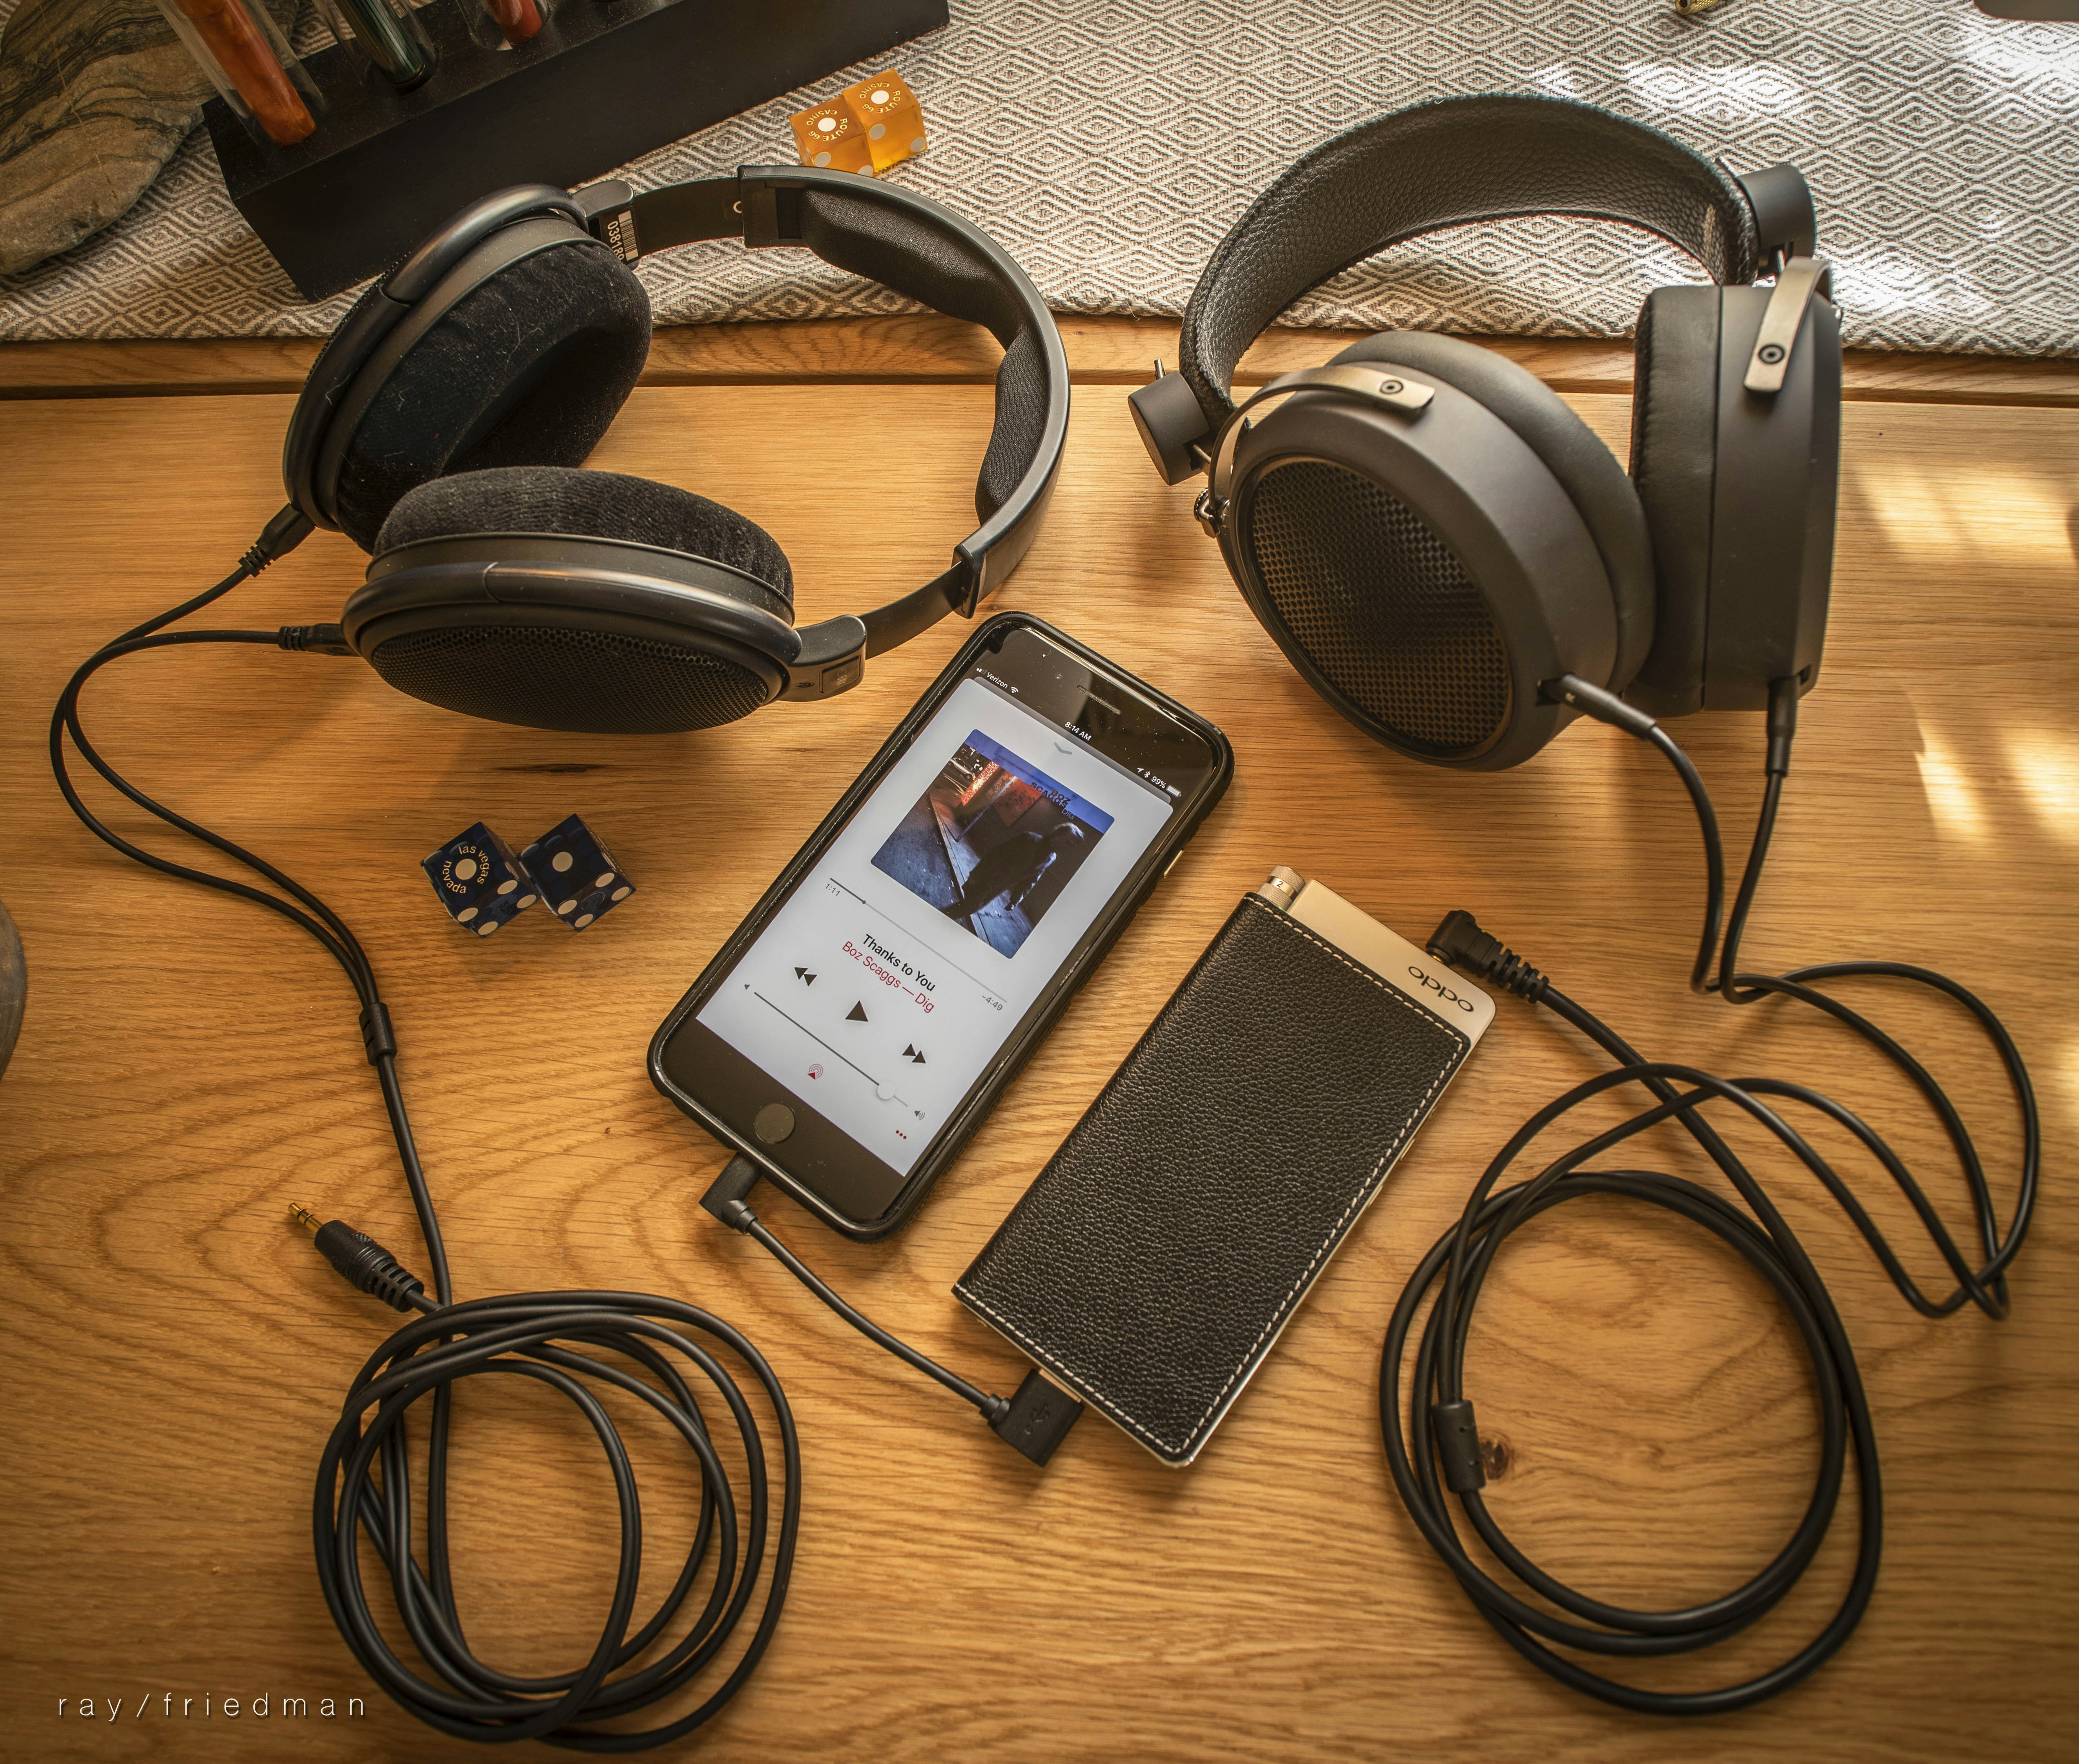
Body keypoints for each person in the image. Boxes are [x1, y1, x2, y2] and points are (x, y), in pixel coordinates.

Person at [950, 820, 1087, 924]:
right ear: (1057, 834)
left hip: (997, 888)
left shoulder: (1051, 858)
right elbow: (996, 854)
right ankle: (942, 918)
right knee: (969, 907)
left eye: (1071, 846)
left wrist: (1016, 900)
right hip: (986, 878)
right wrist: (976, 875)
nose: (1066, 848)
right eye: (1067, 842)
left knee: (969, 907)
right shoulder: (1029, 839)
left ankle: (943, 918)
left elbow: (1032, 880)